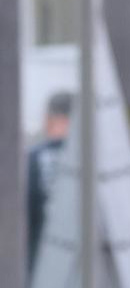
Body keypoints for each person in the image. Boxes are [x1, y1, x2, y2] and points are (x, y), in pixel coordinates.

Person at [27, 91, 73, 275]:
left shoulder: (33, 158)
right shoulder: (89, 160)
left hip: (40, 267)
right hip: (79, 274)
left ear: (50, 118)